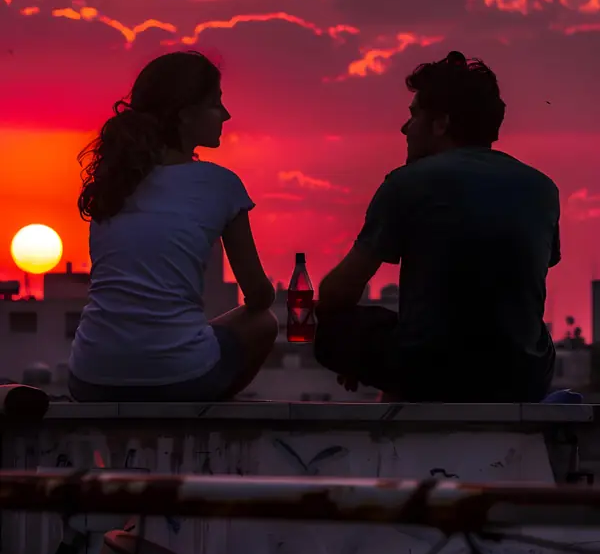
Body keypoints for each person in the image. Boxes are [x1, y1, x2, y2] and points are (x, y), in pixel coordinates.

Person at [315, 51, 560, 402]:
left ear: (441, 123)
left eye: (414, 115)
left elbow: (339, 293)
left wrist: (356, 352)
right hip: (521, 377)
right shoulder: (543, 188)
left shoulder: (407, 183)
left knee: (335, 328)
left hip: (430, 374)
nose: (404, 127)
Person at [68, 51, 277, 402]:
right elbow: (258, 296)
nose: (226, 115)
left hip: (91, 378)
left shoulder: (114, 181)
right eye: (216, 104)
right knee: (265, 322)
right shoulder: (220, 184)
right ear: (185, 116)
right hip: (181, 377)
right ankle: (208, 409)